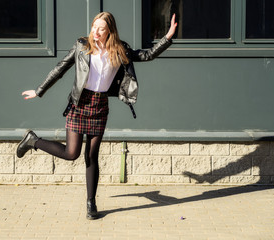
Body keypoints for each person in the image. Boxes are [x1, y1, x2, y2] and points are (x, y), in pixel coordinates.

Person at [17, 12, 177, 220]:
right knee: (71, 153)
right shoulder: (82, 46)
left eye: (101, 28)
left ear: (110, 30)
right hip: (79, 103)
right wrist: (39, 91)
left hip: (100, 105)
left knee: (91, 156)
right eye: (94, 27)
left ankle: (91, 203)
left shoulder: (120, 49)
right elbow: (61, 68)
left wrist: (168, 37)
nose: (96, 32)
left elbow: (147, 55)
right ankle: (33, 141)